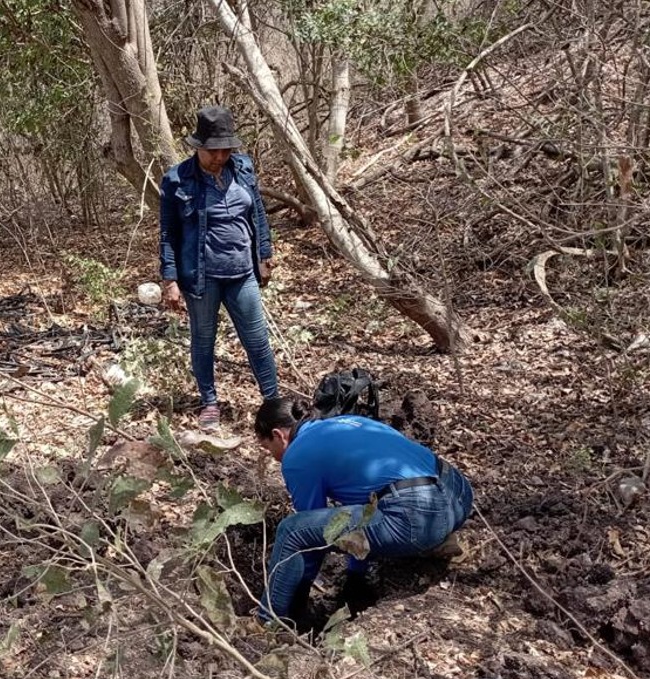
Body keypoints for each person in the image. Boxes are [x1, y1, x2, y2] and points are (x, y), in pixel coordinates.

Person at [253, 398, 474, 631]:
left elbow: (309, 537)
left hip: (415, 511)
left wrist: (297, 598)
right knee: (380, 508)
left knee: (291, 530)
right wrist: (355, 577)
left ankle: (266, 622)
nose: (273, 457)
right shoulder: (346, 423)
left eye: (268, 448)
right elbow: (364, 503)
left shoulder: (297, 455)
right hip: (458, 494)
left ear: (278, 435)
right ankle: (438, 537)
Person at [159, 105, 279, 431]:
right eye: (213, 150)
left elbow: (258, 216)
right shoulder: (177, 180)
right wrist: (170, 280)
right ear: (198, 146)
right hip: (202, 277)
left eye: (226, 150)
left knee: (257, 340)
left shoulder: (243, 169)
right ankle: (210, 402)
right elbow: (168, 234)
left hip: (242, 272)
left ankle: (273, 403)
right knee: (203, 340)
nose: (220, 156)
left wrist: (264, 255)